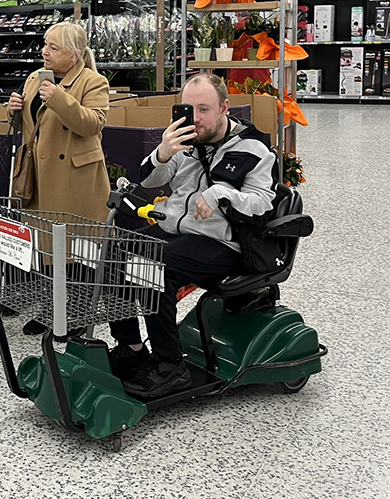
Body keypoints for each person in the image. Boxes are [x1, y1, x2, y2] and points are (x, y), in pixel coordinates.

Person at [107, 72, 276, 399]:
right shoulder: (184, 141)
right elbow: (150, 179)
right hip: (176, 230)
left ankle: (171, 366)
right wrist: (162, 153)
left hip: (224, 242)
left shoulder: (253, 148)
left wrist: (220, 195)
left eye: (204, 110)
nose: (195, 119)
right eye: (189, 108)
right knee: (116, 250)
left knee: (154, 267)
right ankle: (131, 346)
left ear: (225, 108)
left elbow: (263, 203)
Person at [7, 22, 111, 335]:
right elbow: (30, 124)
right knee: (46, 250)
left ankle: (77, 316)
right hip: (39, 177)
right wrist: (13, 111)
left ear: (75, 55)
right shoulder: (34, 78)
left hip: (76, 179)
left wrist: (58, 98)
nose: (45, 52)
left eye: (54, 47)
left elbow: (93, 124)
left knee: (77, 252)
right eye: (45, 44)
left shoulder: (94, 82)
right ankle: (50, 310)